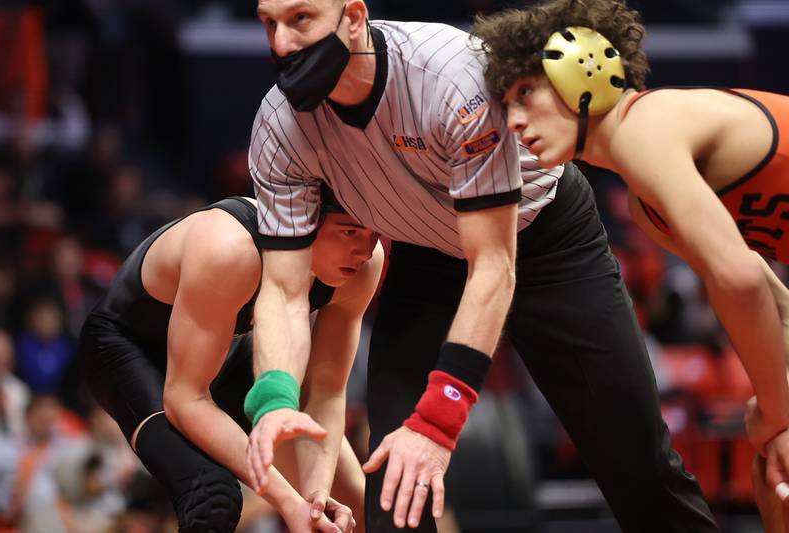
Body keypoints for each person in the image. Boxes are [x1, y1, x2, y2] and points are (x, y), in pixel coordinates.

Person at [245, 0, 719, 531]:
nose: (281, 44)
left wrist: (438, 422)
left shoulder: (449, 76)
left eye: (301, 19)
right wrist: (276, 398)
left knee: (637, 460)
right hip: (426, 251)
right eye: (270, 24)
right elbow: (285, 290)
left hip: (543, 239)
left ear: (353, 17)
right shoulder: (279, 127)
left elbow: (493, 265)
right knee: (393, 471)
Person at [471, 0, 789, 530]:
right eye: (506, 105)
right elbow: (772, 299)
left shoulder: (649, 127)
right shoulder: (648, 209)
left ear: (584, 67)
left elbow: (740, 279)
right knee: (775, 477)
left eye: (525, 93)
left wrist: (777, 413)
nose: (515, 122)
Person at [78, 194, 383, 533]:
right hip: (131, 350)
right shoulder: (229, 247)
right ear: (303, 220)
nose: (364, 251)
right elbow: (185, 397)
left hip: (224, 354)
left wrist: (314, 497)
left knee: (356, 509)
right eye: (349, 233)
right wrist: (288, 502)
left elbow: (326, 393)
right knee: (213, 498)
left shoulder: (365, 267)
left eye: (374, 235)